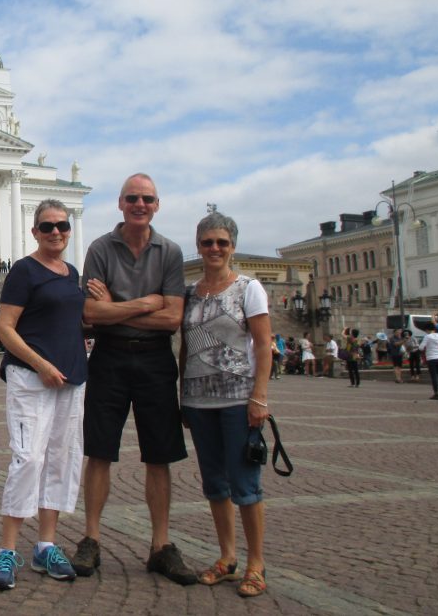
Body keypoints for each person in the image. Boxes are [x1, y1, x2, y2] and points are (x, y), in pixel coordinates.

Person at [71, 173, 195, 585]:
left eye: (147, 199)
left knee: (159, 454)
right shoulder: (100, 248)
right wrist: (146, 303)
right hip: (109, 357)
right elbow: (91, 313)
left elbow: (173, 318)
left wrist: (117, 308)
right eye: (132, 198)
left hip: (156, 360)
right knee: (99, 451)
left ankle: (161, 545)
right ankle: (91, 538)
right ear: (120, 204)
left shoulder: (170, 252)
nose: (140, 204)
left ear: (156, 205)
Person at [0, 199, 88, 590]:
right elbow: (4, 328)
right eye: (47, 226)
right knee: (28, 457)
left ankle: (46, 545)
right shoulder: (24, 271)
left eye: (62, 225)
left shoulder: (72, 273)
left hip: (70, 378)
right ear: (35, 232)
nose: (56, 232)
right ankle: (8, 549)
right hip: (31, 378)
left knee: (61, 459)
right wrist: (40, 364)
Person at [179, 212, 272, 598]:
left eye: (222, 242)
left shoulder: (249, 288)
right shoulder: (189, 293)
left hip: (238, 401)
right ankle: (227, 557)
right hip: (199, 402)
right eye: (207, 242)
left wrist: (259, 397)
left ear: (232, 246)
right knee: (215, 484)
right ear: (198, 247)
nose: (214, 248)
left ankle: (256, 564)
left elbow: (263, 345)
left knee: (245, 485)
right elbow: (185, 348)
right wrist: (183, 396)